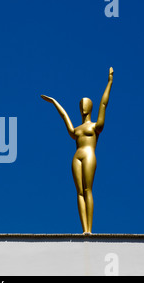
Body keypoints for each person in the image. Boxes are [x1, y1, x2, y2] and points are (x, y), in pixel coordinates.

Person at [41, 67, 113, 234]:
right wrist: (54, 102)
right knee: (79, 192)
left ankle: (90, 229)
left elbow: (104, 103)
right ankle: (84, 230)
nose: (82, 107)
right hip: (77, 157)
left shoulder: (96, 126)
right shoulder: (76, 130)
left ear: (90, 107)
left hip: (89, 155)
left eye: (85, 104)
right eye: (80, 105)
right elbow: (64, 117)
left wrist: (109, 82)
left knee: (88, 189)